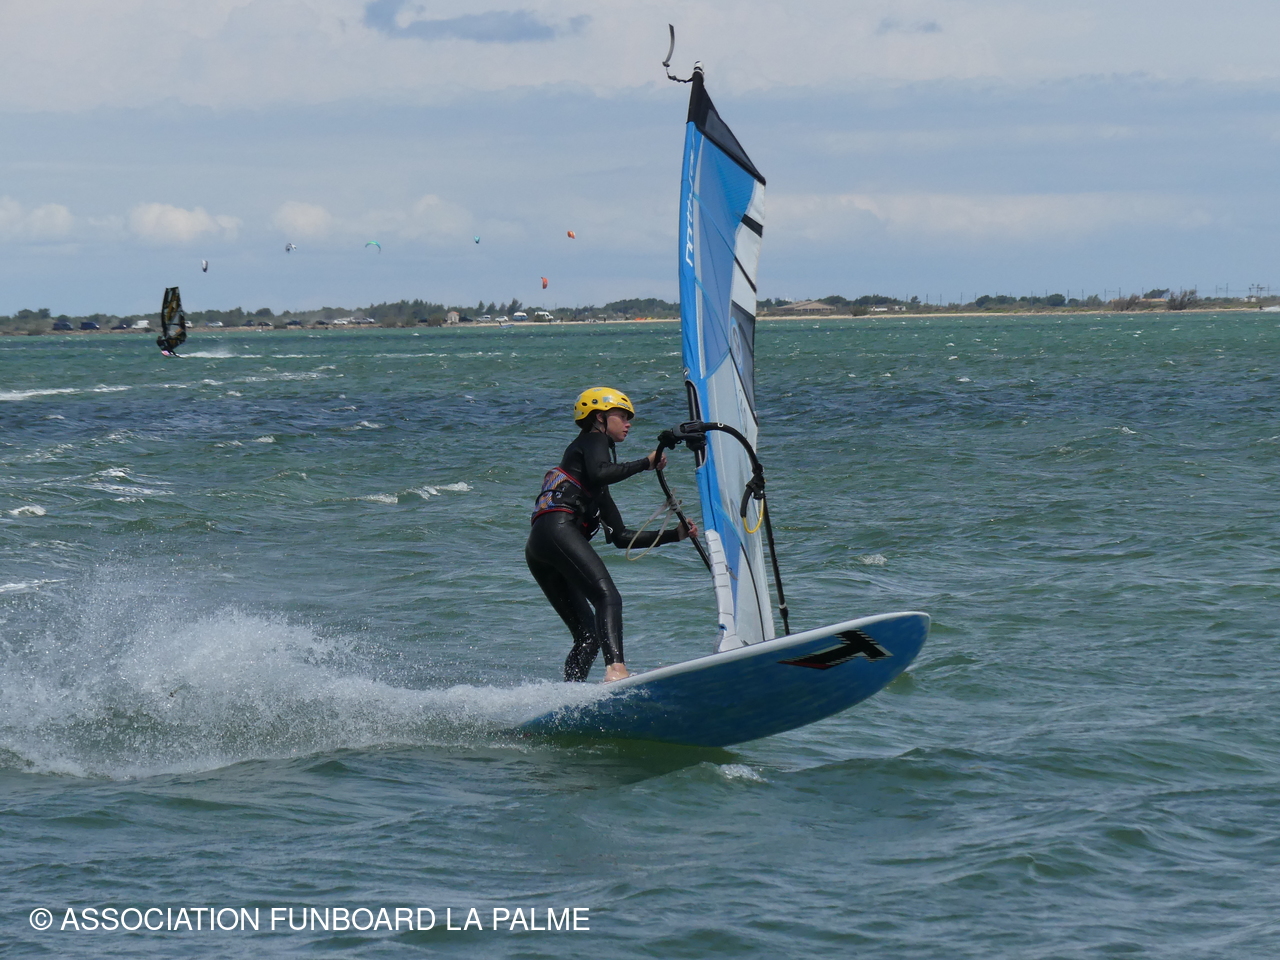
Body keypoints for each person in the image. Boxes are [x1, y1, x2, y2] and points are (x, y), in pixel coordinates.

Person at [526, 387, 696, 682]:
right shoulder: (593, 438)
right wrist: (646, 463)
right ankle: (616, 670)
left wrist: (675, 534)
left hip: (540, 546)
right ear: (599, 418)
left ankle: (569, 694)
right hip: (558, 530)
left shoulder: (593, 487)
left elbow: (621, 537)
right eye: (622, 416)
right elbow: (602, 471)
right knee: (608, 597)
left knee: (588, 636)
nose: (628, 423)